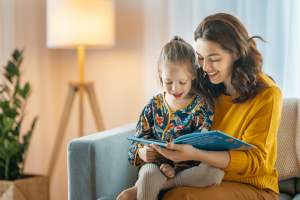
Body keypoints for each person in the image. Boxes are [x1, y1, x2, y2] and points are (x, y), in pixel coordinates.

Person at [151, 13, 282, 200]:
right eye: (201, 58)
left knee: (181, 196)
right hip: (205, 177)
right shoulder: (205, 83)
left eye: (214, 59)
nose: (205, 67)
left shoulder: (267, 93)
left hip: (253, 186)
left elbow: (256, 161)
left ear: (237, 53)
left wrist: (196, 154)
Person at [117, 36, 225, 200]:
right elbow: (137, 141)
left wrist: (176, 170)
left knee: (214, 173)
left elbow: (201, 148)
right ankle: (148, 184)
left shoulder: (202, 107)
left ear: (193, 75)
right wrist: (142, 152)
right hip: (155, 165)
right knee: (148, 175)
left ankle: (163, 184)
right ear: (160, 75)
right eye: (168, 82)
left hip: (185, 170)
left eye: (182, 82)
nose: (175, 89)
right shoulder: (154, 105)